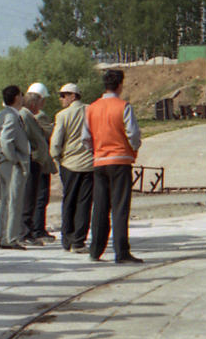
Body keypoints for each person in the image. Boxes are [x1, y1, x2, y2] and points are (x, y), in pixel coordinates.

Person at [83, 69, 142, 263]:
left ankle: (95, 250)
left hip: (99, 162)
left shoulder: (91, 108)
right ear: (120, 85)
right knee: (119, 207)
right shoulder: (123, 106)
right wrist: (133, 149)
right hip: (120, 161)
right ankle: (121, 252)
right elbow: (133, 133)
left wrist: (96, 152)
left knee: (100, 207)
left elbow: (85, 138)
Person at [49, 83, 93, 253]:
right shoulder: (91, 111)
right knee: (84, 203)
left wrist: (57, 157)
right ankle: (79, 241)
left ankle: (67, 238)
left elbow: (56, 142)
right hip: (88, 163)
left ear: (72, 96)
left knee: (69, 201)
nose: (60, 99)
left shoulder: (62, 115)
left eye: (63, 95)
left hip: (69, 164)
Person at [0, 85, 30, 250]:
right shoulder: (12, 116)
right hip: (13, 165)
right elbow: (5, 140)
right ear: (17, 97)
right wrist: (14, 158)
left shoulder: (1, 114)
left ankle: (2, 236)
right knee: (14, 200)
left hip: (4, 164)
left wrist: (2, 154)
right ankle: (10, 238)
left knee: (6, 200)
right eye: (22, 94)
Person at [20, 87, 57, 245]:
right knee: (34, 198)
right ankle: (31, 231)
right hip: (34, 162)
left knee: (34, 198)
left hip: (36, 161)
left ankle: (30, 231)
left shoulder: (29, 115)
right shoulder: (32, 116)